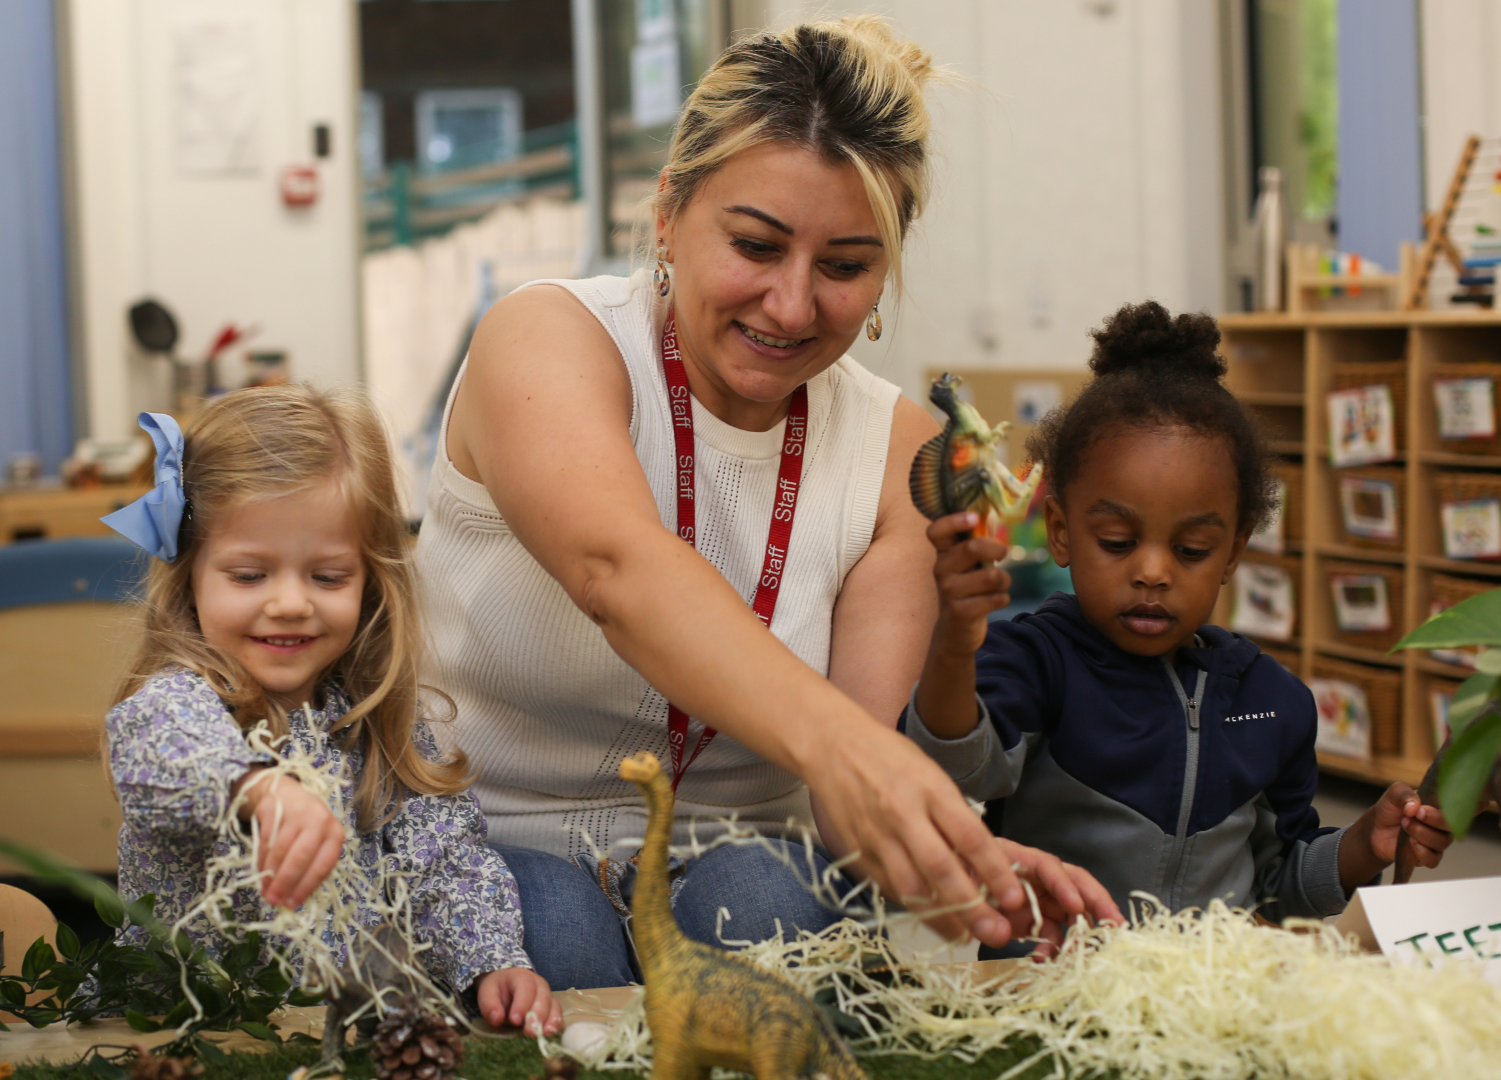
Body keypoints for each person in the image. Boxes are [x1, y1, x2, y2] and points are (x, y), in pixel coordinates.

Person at [415, 15, 1120, 989]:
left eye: (843, 267)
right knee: (556, 941)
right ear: (668, 214)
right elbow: (615, 567)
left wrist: (950, 854)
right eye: (755, 244)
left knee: (779, 921)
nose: (790, 307)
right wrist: (843, 752)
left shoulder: (898, 450)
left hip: (738, 852)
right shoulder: (548, 340)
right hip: (493, 835)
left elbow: (847, 805)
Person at [905, 302, 1454, 946]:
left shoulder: (1272, 703)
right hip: (1054, 999)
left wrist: (1364, 845)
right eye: (1116, 540)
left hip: (1213, 1006)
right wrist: (952, 644)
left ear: (1233, 552)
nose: (1154, 572)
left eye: (1191, 550)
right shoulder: (1034, 659)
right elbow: (952, 770)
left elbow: (1280, 886)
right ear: (1060, 532)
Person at [101, 385, 559, 1034]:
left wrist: (493, 961)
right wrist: (258, 789)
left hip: (342, 1029)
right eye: (249, 575)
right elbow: (157, 745)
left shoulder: (373, 723)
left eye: (327, 576)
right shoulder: (180, 705)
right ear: (190, 575)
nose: (290, 603)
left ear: (370, 581)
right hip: (200, 1031)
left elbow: (443, 861)